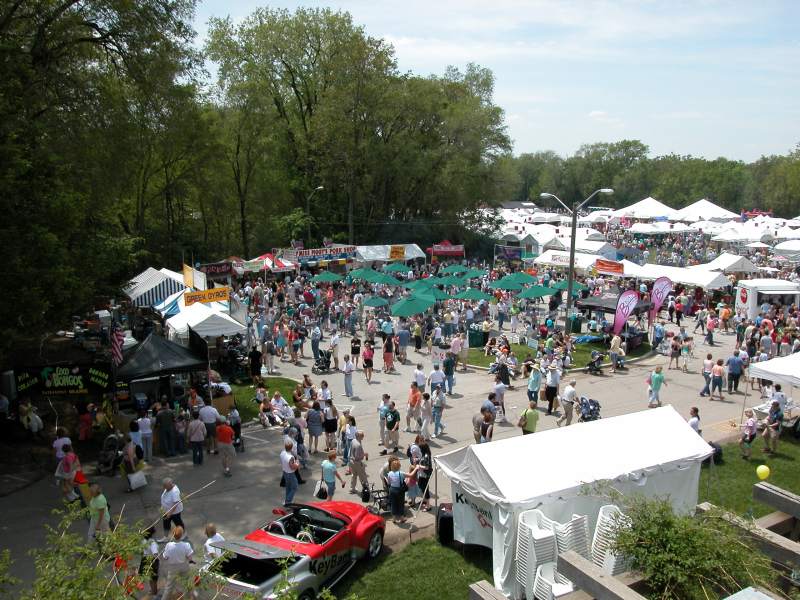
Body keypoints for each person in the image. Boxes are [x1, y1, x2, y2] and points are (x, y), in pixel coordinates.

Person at [160, 526, 194, 600]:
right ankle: (191, 596)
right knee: (187, 582)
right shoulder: (186, 545)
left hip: (173, 568)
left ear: (173, 535)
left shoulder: (169, 545)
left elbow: (165, 557)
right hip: (184, 566)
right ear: (182, 535)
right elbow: (190, 557)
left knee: (169, 585)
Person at [386, 457, 418, 524]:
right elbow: (411, 475)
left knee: (393, 504)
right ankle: (401, 519)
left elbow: (389, 483)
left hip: (392, 490)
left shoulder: (389, 473)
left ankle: (394, 519)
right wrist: (416, 468)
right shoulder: (401, 473)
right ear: (399, 466)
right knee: (400, 504)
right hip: (399, 491)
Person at [139, 527, 160, 597]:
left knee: (144, 574)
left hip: (144, 559)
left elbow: (141, 551)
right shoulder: (152, 542)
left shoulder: (143, 541)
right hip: (152, 560)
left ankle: (153, 590)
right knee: (153, 578)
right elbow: (155, 553)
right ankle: (154, 592)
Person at [281, 440, 300, 505]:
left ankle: (287, 499)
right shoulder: (290, 458)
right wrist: (297, 463)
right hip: (290, 473)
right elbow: (293, 467)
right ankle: (288, 501)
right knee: (295, 487)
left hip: (285, 472)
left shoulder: (282, 452)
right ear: (291, 448)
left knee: (288, 487)